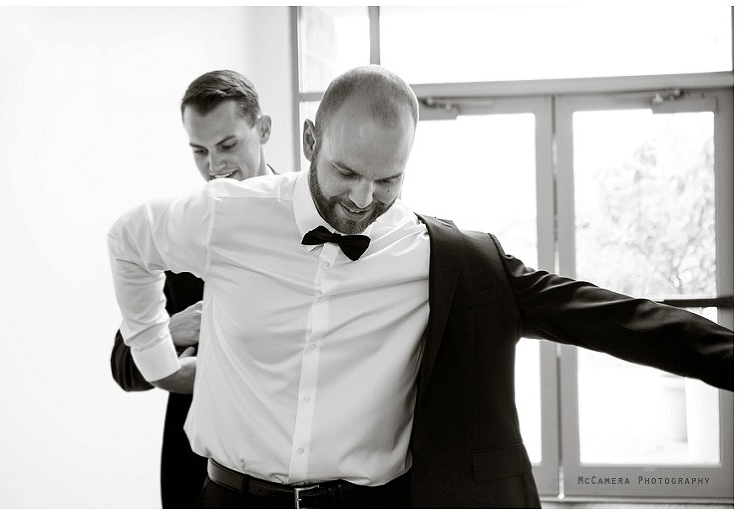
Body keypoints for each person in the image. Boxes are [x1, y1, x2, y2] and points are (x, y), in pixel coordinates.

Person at [107, 65, 733, 508]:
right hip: (229, 498)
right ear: (310, 141)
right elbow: (128, 241)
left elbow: (601, 314)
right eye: (346, 172)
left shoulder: (441, 256)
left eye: (387, 180)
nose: (362, 200)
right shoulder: (226, 213)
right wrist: (159, 361)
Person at [109, 69, 275, 508]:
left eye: (227, 145)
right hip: (196, 481)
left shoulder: (307, 227)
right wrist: (169, 330)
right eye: (200, 151)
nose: (214, 167)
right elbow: (122, 364)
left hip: (287, 478)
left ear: (263, 129)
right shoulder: (181, 232)